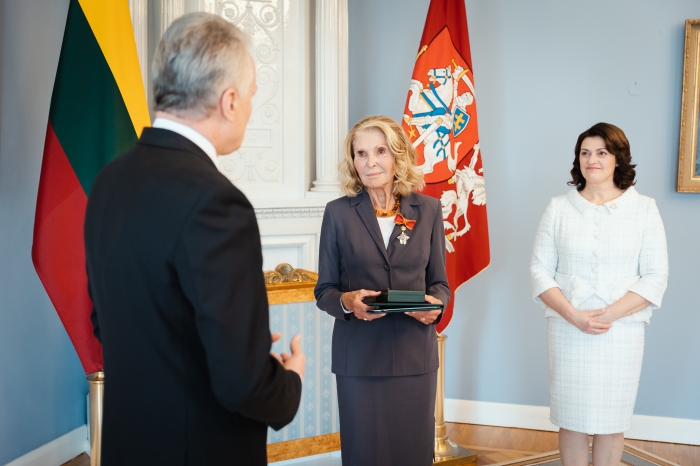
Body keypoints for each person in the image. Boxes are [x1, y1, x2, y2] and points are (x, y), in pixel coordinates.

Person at [84, 13, 304, 466]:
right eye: (250, 95)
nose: (248, 107)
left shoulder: (108, 182)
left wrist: (232, 342)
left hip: (129, 447)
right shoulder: (217, 202)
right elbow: (242, 384)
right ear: (229, 101)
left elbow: (112, 324)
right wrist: (289, 381)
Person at [314, 115, 450, 466]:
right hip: (359, 358)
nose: (370, 162)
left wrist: (435, 305)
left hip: (414, 356)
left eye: (380, 151)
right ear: (352, 161)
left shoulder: (429, 210)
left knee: (412, 454)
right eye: (361, 153)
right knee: (364, 454)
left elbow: (439, 283)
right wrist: (346, 302)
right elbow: (324, 290)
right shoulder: (337, 213)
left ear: (398, 156)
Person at [530, 123, 668, 466]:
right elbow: (539, 271)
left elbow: (655, 276)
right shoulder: (559, 208)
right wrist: (574, 316)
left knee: (612, 420)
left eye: (602, 152)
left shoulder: (644, 208)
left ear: (618, 159)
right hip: (567, 328)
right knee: (571, 418)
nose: (592, 159)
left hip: (621, 331)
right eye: (585, 152)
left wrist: (609, 315)